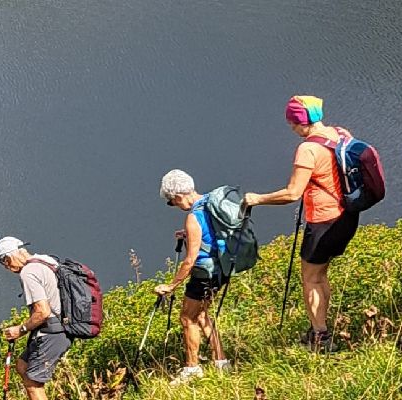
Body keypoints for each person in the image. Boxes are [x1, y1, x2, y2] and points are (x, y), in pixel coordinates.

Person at [242, 96, 360, 348]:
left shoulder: (308, 149)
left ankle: (320, 337)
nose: (292, 128)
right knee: (321, 274)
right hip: (347, 216)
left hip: (323, 221)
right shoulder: (339, 133)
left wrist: (256, 199)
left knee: (311, 278)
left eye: (293, 123)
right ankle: (322, 328)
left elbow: (292, 193)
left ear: (302, 120)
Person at [152, 169, 230, 384]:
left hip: (204, 273)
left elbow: (190, 260)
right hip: (222, 268)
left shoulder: (193, 217)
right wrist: (190, 234)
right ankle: (221, 362)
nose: (176, 206)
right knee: (202, 315)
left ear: (176, 196)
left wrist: (172, 285)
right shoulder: (210, 203)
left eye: (173, 202)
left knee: (187, 318)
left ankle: (192, 369)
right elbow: (212, 234)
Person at [0, 237, 68, 400]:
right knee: (23, 365)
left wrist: (20, 330)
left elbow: (43, 312)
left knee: (33, 383)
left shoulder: (28, 272)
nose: (6, 266)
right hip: (61, 326)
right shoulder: (45, 261)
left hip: (52, 332)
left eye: (3, 261)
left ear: (9, 257)